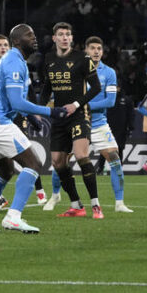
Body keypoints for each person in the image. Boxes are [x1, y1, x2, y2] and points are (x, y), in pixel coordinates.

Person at [0, 24, 68, 233]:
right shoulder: (14, 62)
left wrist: (30, 116)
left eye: (34, 34)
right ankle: (13, 216)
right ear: (17, 41)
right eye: (29, 35)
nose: (35, 38)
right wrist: (51, 111)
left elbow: (15, 99)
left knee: (5, 170)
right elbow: (16, 102)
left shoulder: (15, 61)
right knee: (34, 163)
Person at [40, 22, 102, 219]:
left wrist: (76, 104)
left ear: (71, 38)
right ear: (54, 38)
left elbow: (96, 88)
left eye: (68, 34)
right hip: (59, 118)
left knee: (81, 154)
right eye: (61, 34)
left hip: (79, 115)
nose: (65, 37)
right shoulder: (48, 59)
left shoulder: (82, 58)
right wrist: (39, 109)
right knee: (58, 162)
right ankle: (76, 205)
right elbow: (46, 88)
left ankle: (95, 205)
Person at [0, 34, 48, 208]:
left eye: (5, 44)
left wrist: (34, 111)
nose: (3, 48)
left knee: (26, 153)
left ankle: (39, 189)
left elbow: (28, 91)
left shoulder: (18, 64)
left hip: (18, 115)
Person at [85, 36, 133, 212]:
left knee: (115, 161)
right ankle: (55, 197)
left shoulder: (109, 72)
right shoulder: (77, 70)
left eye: (99, 48)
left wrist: (82, 106)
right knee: (61, 161)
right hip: (78, 123)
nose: (96, 51)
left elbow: (110, 101)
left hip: (99, 124)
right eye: (92, 48)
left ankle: (119, 203)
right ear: (86, 51)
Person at [95, 82, 135, 176]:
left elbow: (131, 114)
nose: (115, 89)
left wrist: (131, 127)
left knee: (119, 148)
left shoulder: (127, 100)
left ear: (120, 88)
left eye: (116, 87)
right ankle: (100, 167)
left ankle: (118, 169)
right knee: (104, 148)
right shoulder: (106, 99)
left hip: (121, 129)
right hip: (107, 127)